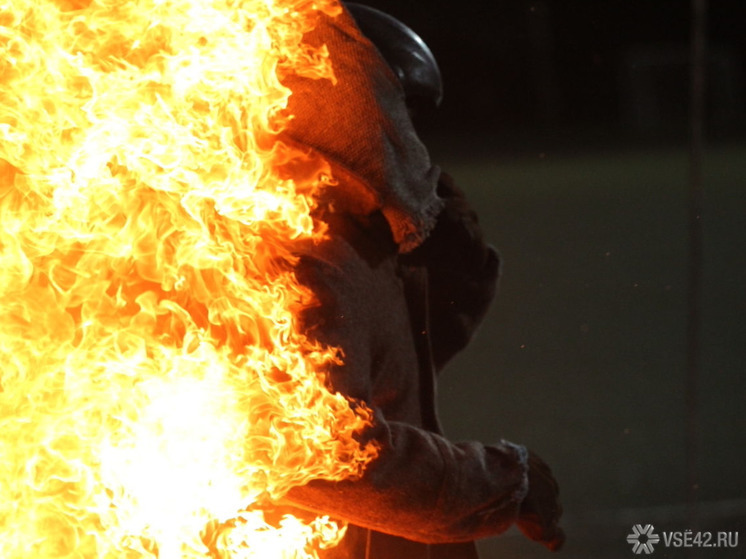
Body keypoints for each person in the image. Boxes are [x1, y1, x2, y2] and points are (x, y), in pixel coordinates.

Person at [278, 4, 565, 558]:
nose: (408, 140)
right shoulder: (306, 258)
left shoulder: (357, 239)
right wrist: (503, 483)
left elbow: (421, 347)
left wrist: (447, 235)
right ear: (353, 105)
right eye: (400, 117)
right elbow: (316, 452)